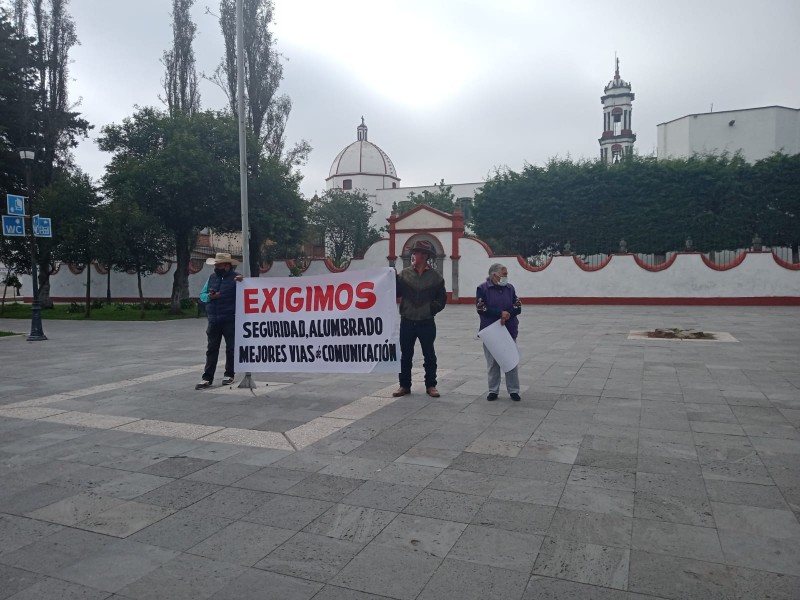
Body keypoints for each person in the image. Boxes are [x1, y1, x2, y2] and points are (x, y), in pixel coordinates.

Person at [393, 240, 447, 398]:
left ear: (428, 256)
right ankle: (404, 385)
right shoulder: (404, 274)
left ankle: (431, 385)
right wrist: (391, 277)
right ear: (413, 254)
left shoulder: (436, 277)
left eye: (424, 253)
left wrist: (431, 309)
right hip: (407, 320)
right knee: (406, 355)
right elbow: (396, 292)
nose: (421, 256)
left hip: (426, 322)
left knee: (429, 354)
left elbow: (442, 299)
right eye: (418, 253)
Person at [196, 252, 243, 389]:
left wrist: (244, 282)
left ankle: (229, 374)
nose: (216, 266)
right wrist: (210, 297)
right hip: (213, 319)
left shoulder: (236, 278)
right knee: (211, 349)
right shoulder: (211, 278)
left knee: (231, 348)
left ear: (227, 265)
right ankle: (207, 377)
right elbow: (202, 295)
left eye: (219, 264)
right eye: (216, 264)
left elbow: (246, 291)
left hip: (230, 318)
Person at [476, 263, 522, 401]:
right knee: (493, 363)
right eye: (504, 274)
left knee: (511, 361)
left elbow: (518, 306)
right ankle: (493, 390)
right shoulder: (483, 288)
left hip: (509, 329)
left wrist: (508, 314)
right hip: (491, 331)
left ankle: (513, 390)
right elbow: (481, 308)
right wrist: (499, 314)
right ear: (494, 275)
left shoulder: (510, 288)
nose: (506, 277)